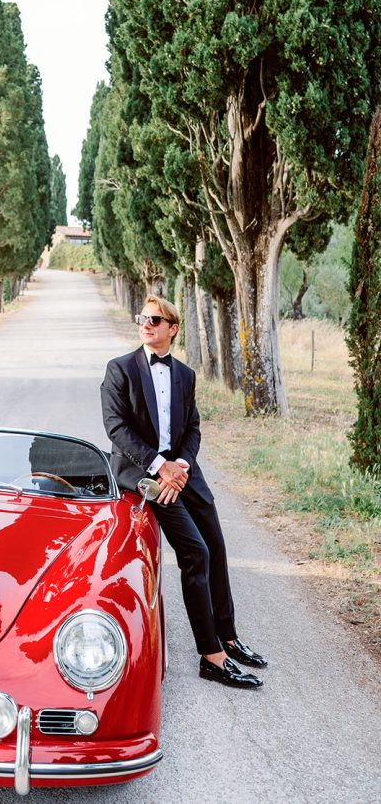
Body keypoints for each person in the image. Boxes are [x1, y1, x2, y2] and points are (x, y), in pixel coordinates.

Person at [101, 294, 267, 689]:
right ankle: (211, 656)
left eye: (156, 320)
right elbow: (116, 429)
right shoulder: (119, 369)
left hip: (182, 472)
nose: (147, 324)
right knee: (195, 552)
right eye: (144, 318)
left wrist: (182, 467)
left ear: (173, 328)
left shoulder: (185, 375)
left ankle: (228, 636)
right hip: (143, 475)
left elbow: (192, 428)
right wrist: (162, 469)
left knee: (217, 546)